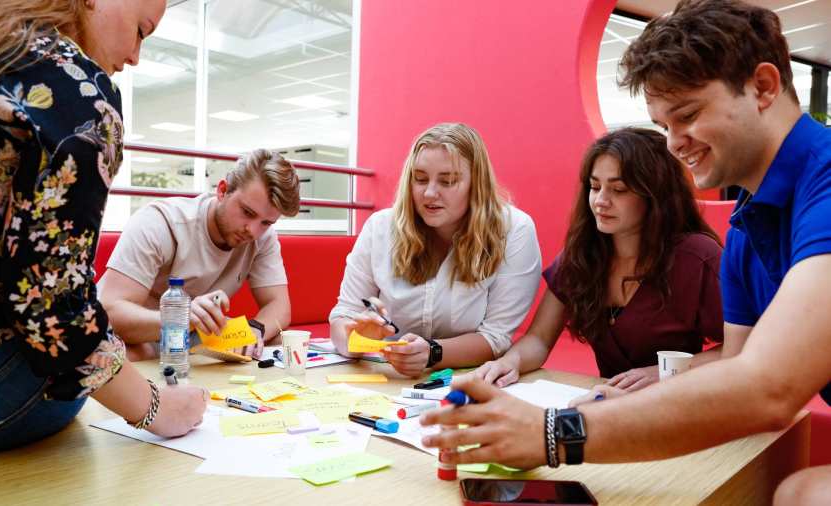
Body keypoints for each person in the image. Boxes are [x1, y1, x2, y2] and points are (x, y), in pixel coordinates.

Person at [421, 1, 831, 503]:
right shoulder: (746, 228)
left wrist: (553, 432)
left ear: (763, 87)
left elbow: (765, 386)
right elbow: (736, 366)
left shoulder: (822, 184)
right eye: (664, 126)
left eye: (688, 115)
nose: (676, 144)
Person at [0, 0, 207, 459]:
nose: (136, 57)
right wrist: (157, 407)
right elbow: (54, 310)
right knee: (71, 380)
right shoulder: (76, 88)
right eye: (141, 31)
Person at [473, 128, 724, 392]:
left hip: (682, 403)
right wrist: (510, 362)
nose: (601, 201)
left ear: (655, 195)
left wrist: (668, 373)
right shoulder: (581, 254)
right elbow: (539, 339)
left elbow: (745, 347)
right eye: (594, 187)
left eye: (618, 189)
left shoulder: (697, 256)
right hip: (608, 406)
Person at [328, 122, 542, 377]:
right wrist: (355, 340)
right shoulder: (380, 227)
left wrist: (432, 353)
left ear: (477, 184)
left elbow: (495, 338)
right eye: (419, 179)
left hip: (466, 380)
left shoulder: (514, 230)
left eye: (448, 181)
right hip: (387, 378)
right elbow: (343, 316)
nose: (429, 193)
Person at [98, 149, 300, 361]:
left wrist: (254, 331)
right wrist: (181, 319)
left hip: (198, 337)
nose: (253, 230)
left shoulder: (262, 237)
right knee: (116, 354)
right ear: (223, 190)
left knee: (278, 341)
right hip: (141, 337)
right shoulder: (159, 223)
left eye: (266, 222)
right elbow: (110, 312)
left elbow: (279, 306)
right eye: (247, 213)